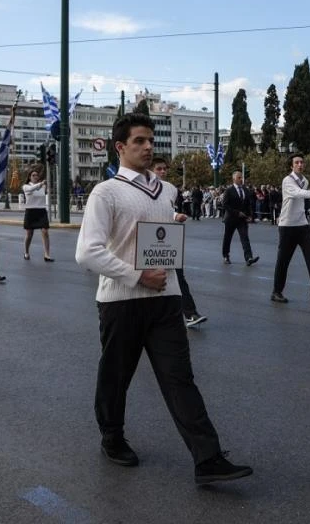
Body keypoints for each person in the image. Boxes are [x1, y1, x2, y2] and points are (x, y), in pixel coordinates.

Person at [74, 113, 251, 484]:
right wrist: (137, 275)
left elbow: (151, 233)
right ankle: (112, 437)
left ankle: (208, 458)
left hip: (166, 298)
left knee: (179, 378)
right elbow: (87, 253)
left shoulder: (167, 190)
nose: (148, 146)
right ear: (120, 147)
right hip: (121, 301)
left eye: (151, 140)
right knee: (116, 376)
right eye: (139, 141)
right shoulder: (106, 192)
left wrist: (172, 226)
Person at [271, 153, 310, 304]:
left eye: (302, 162)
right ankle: (276, 292)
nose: (300, 164)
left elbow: (302, 195)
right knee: (283, 260)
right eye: (297, 162)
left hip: (302, 224)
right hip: (287, 225)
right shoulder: (287, 180)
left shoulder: (305, 180)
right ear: (291, 166)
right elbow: (298, 194)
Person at [152, 157, 206, 328]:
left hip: (167, 236)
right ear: (150, 170)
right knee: (151, 278)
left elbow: (168, 210)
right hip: (149, 238)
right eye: (158, 169)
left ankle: (190, 313)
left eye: (164, 168)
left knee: (177, 275)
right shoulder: (143, 188)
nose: (163, 172)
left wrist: (176, 216)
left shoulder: (169, 189)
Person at [221, 171, 259, 266]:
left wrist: (250, 216)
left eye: (241, 177)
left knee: (245, 237)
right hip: (231, 219)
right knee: (227, 238)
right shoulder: (229, 190)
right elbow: (225, 204)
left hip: (242, 219)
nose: (241, 179)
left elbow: (248, 204)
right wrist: (237, 213)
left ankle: (249, 258)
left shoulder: (245, 190)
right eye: (239, 178)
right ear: (234, 179)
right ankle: (226, 255)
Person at [22, 168, 53, 262]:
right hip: (30, 211)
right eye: (33, 175)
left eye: (37, 175)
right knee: (29, 234)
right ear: (29, 177)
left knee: (45, 231)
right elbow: (32, 189)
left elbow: (44, 191)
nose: (35, 177)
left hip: (41, 210)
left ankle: (47, 254)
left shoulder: (42, 187)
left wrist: (44, 185)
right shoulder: (26, 186)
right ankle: (26, 252)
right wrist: (41, 184)